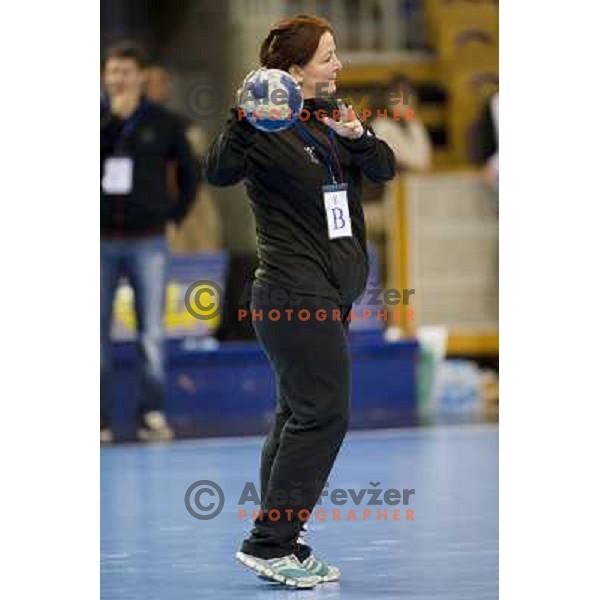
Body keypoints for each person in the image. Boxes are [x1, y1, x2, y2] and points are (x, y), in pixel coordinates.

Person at [206, 15, 395, 588]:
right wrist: (244, 116)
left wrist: (358, 138)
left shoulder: (330, 120)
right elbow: (217, 172)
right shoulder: (263, 127)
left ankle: (285, 537)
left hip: (325, 296)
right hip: (293, 293)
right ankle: (272, 541)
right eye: (327, 57)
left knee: (296, 416)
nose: (338, 66)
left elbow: (385, 169)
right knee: (323, 416)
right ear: (292, 72)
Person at [101, 41, 197, 443]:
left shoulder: (163, 121)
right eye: (111, 71)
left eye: (125, 71)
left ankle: (152, 413)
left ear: (141, 75)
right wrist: (111, 125)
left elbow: (192, 173)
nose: (117, 79)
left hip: (148, 241)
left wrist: (172, 215)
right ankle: (98, 419)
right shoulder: (92, 119)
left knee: (152, 333)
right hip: (98, 239)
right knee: (93, 333)